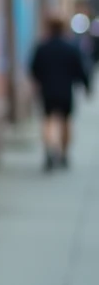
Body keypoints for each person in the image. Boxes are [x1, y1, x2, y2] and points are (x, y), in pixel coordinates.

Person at [30, 15, 92, 170]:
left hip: (48, 90)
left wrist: (41, 80)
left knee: (48, 119)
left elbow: (34, 69)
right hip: (65, 91)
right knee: (66, 122)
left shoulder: (42, 47)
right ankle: (64, 154)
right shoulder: (70, 48)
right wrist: (86, 86)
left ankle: (49, 150)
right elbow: (80, 70)